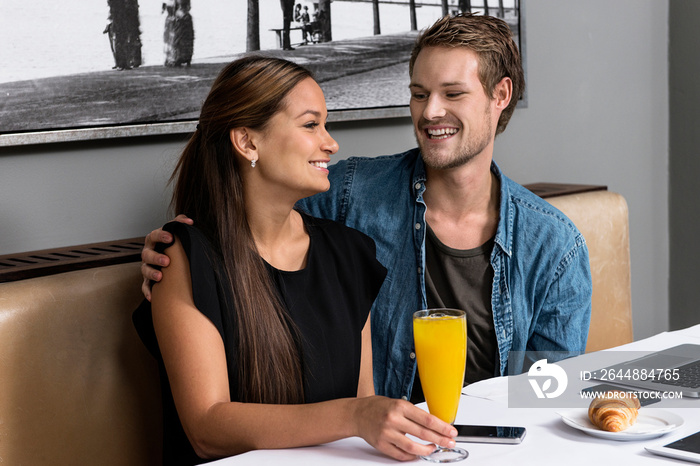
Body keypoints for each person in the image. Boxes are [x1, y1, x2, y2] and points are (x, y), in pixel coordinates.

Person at [141, 14, 592, 403]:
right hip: (367, 448)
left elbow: (542, 397)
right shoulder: (347, 194)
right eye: (419, 93)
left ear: (500, 95)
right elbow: (244, 212)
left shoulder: (553, 244)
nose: (430, 111)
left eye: (452, 94)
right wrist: (173, 250)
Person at [132, 56, 458, 465]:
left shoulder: (349, 255)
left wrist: (367, 417)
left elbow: (363, 414)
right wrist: (356, 416)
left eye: (325, 124)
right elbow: (206, 429)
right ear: (248, 142)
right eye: (310, 124)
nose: (331, 143)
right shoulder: (185, 257)